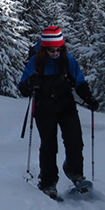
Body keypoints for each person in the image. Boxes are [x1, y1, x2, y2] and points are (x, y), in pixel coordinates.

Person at [18, 26, 99, 198]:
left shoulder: (68, 60)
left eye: (58, 49)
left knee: (75, 141)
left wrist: (89, 98)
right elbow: (23, 88)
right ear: (44, 49)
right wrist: (31, 83)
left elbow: (79, 81)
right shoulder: (35, 62)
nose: (55, 53)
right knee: (49, 145)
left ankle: (75, 172)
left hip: (66, 105)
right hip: (44, 108)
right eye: (51, 50)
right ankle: (48, 182)